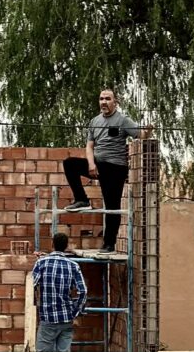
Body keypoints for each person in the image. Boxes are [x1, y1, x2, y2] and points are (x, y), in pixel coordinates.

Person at [62, 88, 153, 253]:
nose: (103, 102)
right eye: (101, 99)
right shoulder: (94, 121)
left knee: (112, 205)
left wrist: (148, 130)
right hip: (98, 164)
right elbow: (89, 146)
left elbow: (141, 135)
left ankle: (109, 244)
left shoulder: (123, 120)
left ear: (115, 102)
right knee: (69, 164)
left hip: (116, 168)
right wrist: (91, 164)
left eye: (107, 99)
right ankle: (82, 199)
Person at [32, 232, 87, 352]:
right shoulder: (73, 265)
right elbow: (83, 291)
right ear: (66, 246)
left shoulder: (42, 263)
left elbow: (31, 285)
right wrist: (75, 310)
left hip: (47, 319)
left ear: (53, 244)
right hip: (66, 320)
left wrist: (36, 304)